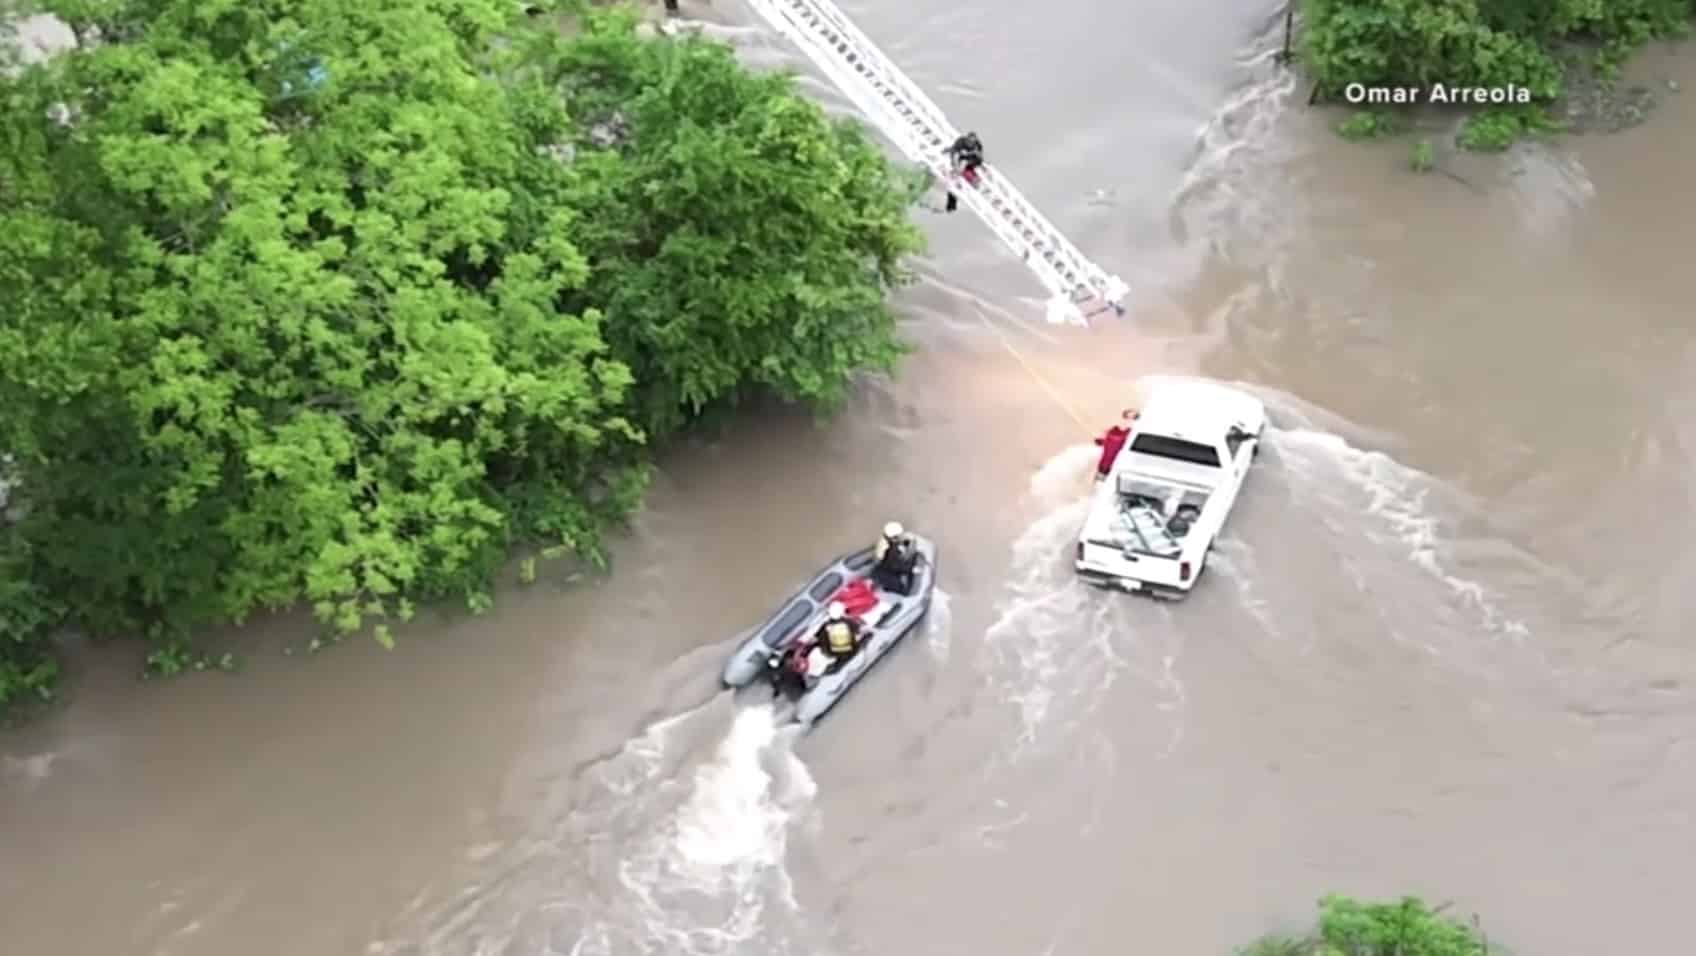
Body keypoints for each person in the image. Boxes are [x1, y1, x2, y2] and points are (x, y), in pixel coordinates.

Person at [872, 521, 918, 595]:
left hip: (883, 568)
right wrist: (912, 569)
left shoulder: (885, 539)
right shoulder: (889, 551)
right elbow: (896, 566)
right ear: (894, 538)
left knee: (890, 581)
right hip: (887, 572)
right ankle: (896, 590)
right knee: (904, 590)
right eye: (900, 535)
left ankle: (887, 587)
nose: (901, 536)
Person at [1094, 408, 1139, 481]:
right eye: (1128, 416)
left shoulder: (1133, 427)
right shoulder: (1117, 424)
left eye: (1133, 417)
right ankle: (1101, 474)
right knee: (1105, 459)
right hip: (1109, 446)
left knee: (1112, 461)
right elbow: (1105, 431)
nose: (1130, 418)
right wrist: (1102, 438)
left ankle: (1104, 475)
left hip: (1117, 448)